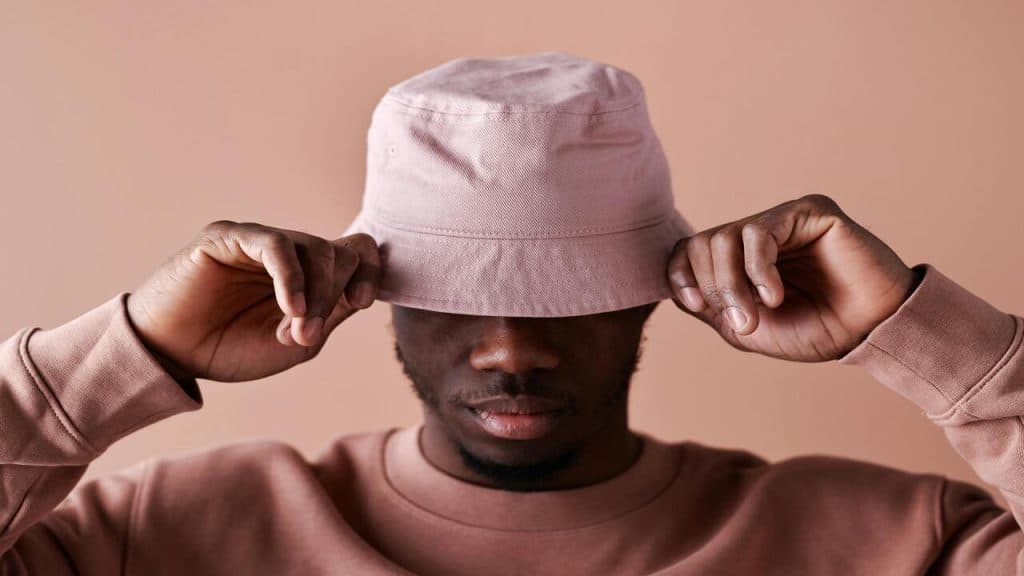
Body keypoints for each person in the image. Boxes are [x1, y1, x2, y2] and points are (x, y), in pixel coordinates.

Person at [1, 52, 1020, 575]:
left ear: (655, 295)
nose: (510, 348)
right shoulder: (160, 535)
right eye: (458, 298)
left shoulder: (896, 543)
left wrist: (932, 341)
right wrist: (115, 359)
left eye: (568, 300)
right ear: (376, 292)